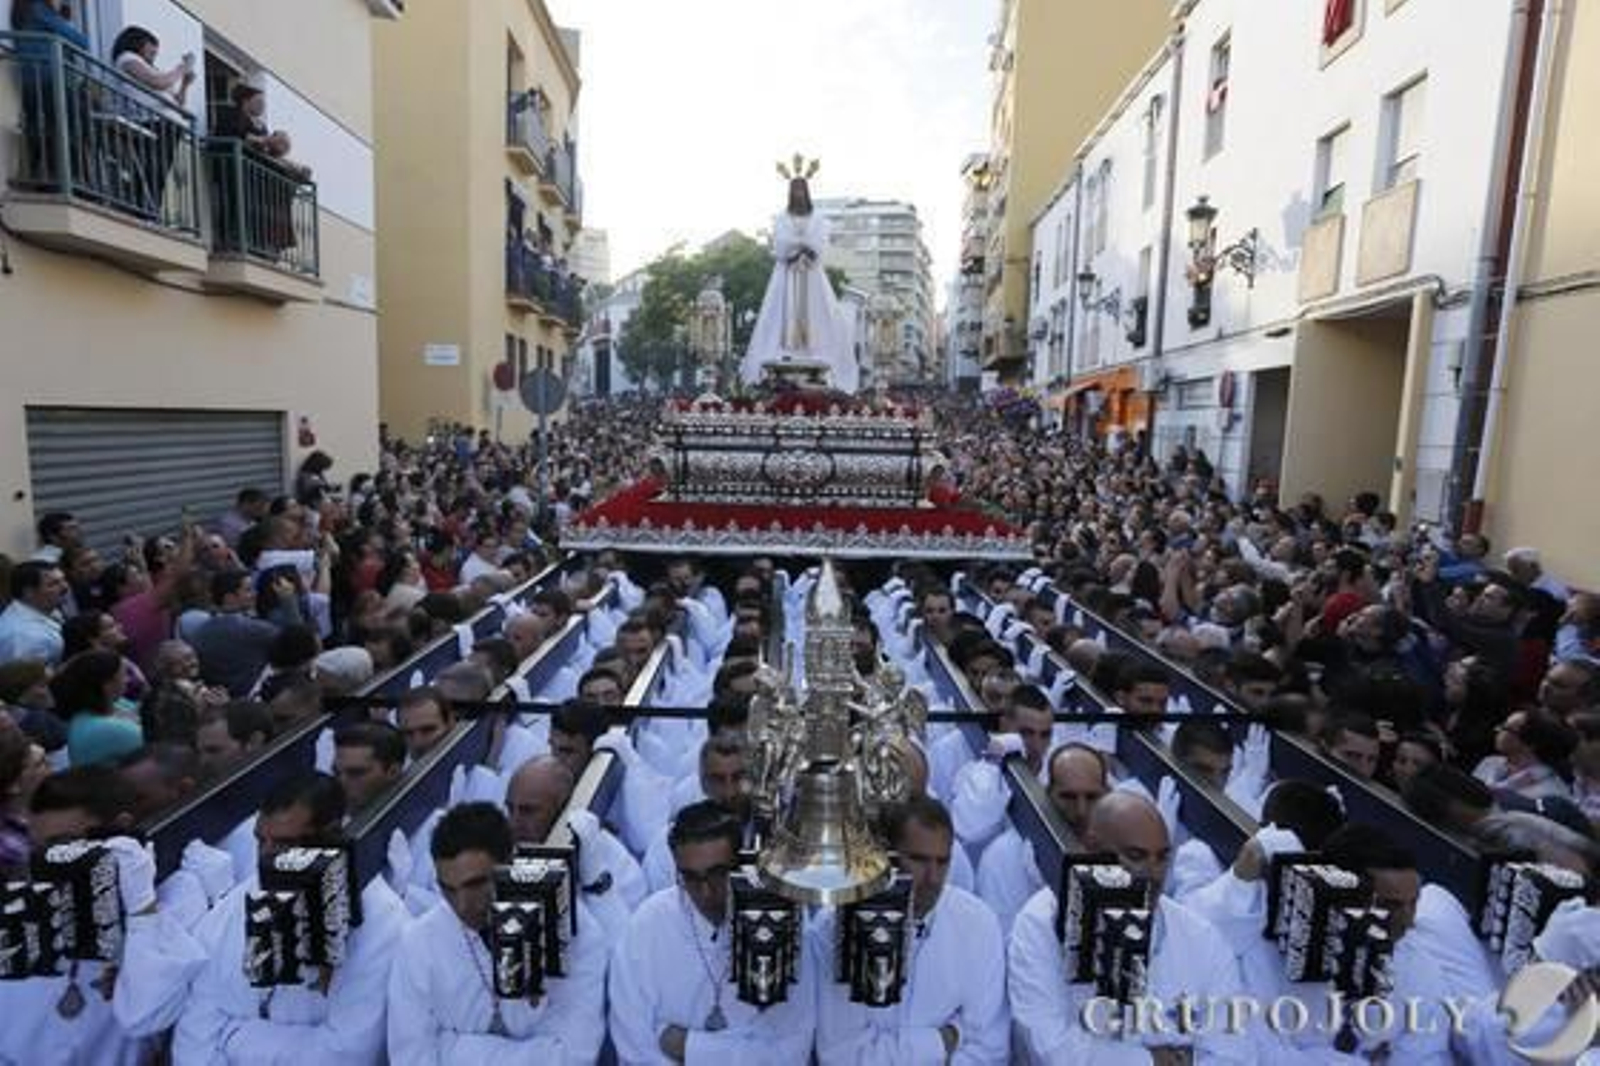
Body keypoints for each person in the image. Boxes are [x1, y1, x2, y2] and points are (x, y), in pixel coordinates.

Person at [173, 773, 408, 1063]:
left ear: (330, 835)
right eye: (261, 841)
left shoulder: (383, 919)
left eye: (284, 844)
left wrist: (234, 1036)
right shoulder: (243, 897)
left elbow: (346, 1053)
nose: (266, 860)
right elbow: (197, 1022)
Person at [1007, 791, 1254, 1063]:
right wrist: (1153, 1060)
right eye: (1136, 856)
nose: (1153, 873)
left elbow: (1233, 1055)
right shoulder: (1039, 922)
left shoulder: (1202, 939)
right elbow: (1049, 1049)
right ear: (1092, 849)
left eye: (1162, 857)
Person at [387, 802, 606, 1063]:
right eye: (448, 889)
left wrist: (455, 1051)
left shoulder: (575, 931)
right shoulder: (418, 942)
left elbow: (574, 1056)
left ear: (511, 864)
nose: (462, 905)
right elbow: (410, 1058)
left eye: (475, 884)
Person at [609, 800, 818, 1064]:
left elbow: (791, 1051)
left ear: (740, 864)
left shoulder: (782, 921)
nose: (705, 892)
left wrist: (688, 1046)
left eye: (718, 874)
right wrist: (740, 1047)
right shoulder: (645, 927)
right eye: (691, 878)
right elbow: (635, 1049)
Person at [812, 796, 1010, 1064]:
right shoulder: (831, 929)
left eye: (942, 862)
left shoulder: (979, 923)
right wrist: (946, 1038)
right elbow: (843, 1055)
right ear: (885, 856)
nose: (933, 878)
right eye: (919, 860)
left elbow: (989, 1049)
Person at [740, 162, 858, 392]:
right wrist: (795, 249)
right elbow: (780, 243)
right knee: (780, 313)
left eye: (802, 190)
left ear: (807, 193)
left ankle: (813, 352)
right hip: (787, 272)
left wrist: (807, 250)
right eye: (795, 190)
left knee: (818, 313)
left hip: (811, 273)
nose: (798, 194)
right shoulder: (782, 218)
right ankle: (784, 352)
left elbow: (820, 241)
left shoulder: (819, 219)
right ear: (790, 193)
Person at [0, 560, 68, 665]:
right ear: (29, 592)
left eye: (63, 580)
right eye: (54, 584)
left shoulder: (46, 608)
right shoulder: (24, 638)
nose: (65, 587)